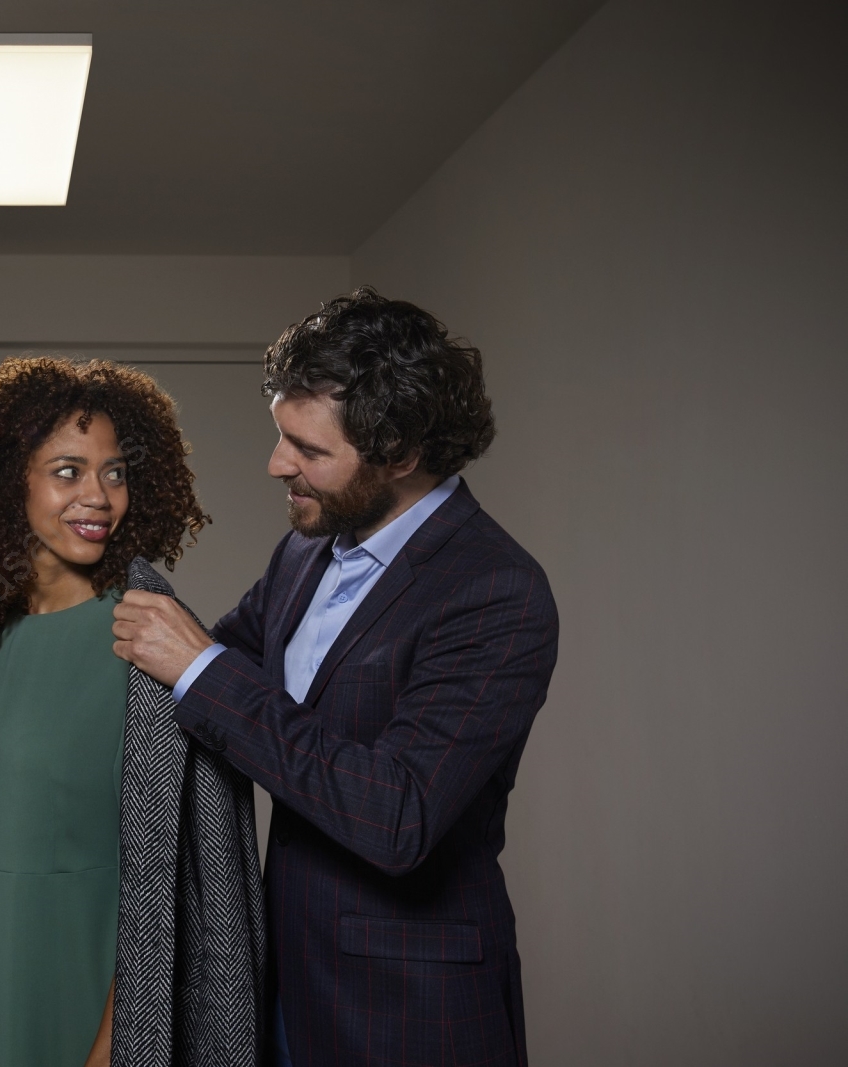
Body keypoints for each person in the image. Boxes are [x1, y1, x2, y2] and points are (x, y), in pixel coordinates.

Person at [112, 289, 559, 1067]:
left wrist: (200, 668)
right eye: (280, 435)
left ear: (400, 453)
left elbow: (397, 814)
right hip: (284, 987)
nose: (276, 464)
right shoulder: (305, 550)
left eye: (308, 449)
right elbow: (203, 675)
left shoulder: (496, 590)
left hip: (410, 1014)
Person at [0, 358, 266, 1067]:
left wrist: (114, 1046)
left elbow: (160, 880)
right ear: (8, 482)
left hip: (95, 984)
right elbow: (32, 837)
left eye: (114, 472)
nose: (99, 497)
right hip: (2, 966)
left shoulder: (144, 641)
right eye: (68, 471)